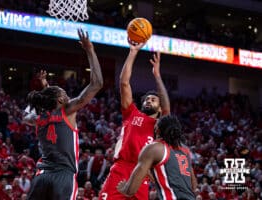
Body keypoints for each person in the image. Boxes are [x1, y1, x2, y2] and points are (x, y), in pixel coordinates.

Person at [24, 29, 103, 200]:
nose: (67, 94)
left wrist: (41, 92)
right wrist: (90, 50)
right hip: (63, 175)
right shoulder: (67, 110)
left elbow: (27, 115)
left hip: (42, 175)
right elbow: (97, 84)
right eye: (63, 92)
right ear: (60, 99)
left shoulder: (38, 118)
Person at [99, 41, 170, 200]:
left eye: (153, 100)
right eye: (147, 99)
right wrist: (133, 52)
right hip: (121, 168)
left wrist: (157, 75)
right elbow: (124, 83)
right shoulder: (132, 113)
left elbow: (167, 109)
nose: (149, 101)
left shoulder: (160, 125)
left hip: (141, 174)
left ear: (159, 108)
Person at [117, 115, 197, 200]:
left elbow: (130, 190)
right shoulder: (185, 150)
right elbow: (193, 185)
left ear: (157, 130)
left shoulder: (154, 148)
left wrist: (124, 188)